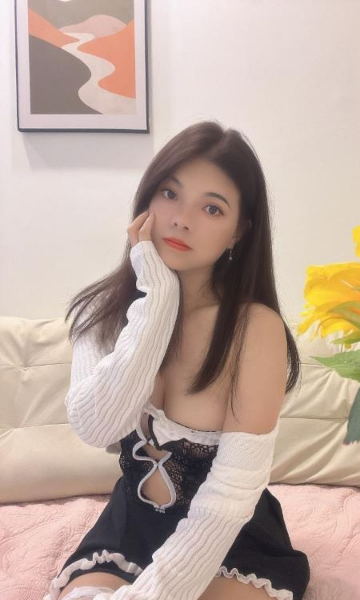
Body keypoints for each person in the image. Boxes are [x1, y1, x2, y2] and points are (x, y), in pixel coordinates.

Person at [43, 121, 311, 600]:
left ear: (238, 232)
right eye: (169, 193)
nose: (182, 219)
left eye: (212, 208)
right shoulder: (100, 314)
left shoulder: (254, 329)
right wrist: (158, 299)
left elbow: (230, 495)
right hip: (130, 524)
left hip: (228, 533)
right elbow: (98, 427)